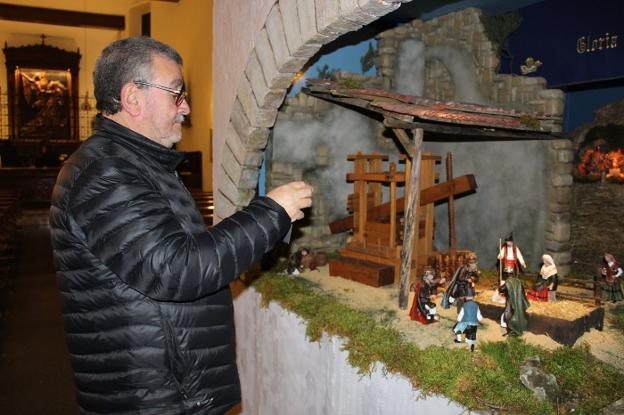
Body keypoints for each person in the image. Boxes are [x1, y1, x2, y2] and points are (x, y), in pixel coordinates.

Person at [49, 37, 313, 415]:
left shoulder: (134, 165)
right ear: (133, 98)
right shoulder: (105, 172)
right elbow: (176, 269)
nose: (186, 107)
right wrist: (271, 212)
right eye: (176, 93)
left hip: (166, 387)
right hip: (149, 395)